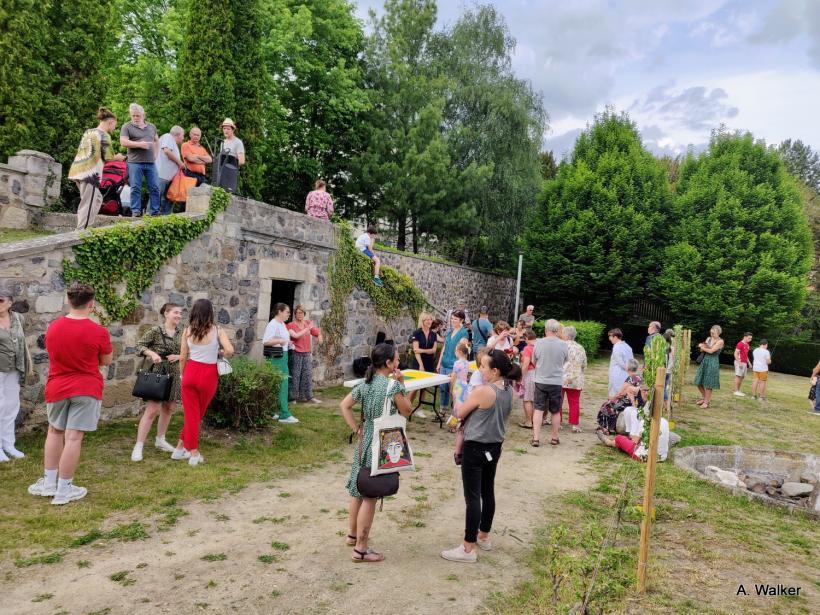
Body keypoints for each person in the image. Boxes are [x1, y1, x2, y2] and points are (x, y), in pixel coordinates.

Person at [27, 284, 113, 505]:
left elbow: (54, 354)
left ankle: (49, 483)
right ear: (91, 304)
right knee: (73, 437)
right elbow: (105, 361)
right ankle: (64, 490)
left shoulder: (54, 327)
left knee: (55, 432)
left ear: (68, 300)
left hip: (58, 386)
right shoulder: (99, 331)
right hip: (86, 387)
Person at [440, 350, 522, 563]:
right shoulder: (507, 390)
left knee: (473, 496)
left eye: (483, 367)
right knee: (487, 491)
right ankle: (483, 535)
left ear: (494, 371)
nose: (480, 370)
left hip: (476, 447)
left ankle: (467, 547)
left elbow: (459, 413)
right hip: (494, 446)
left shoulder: (484, 391)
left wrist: (458, 392)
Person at [339, 343, 412, 562]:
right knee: (370, 494)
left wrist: (357, 428)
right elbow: (407, 410)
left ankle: (352, 535)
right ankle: (361, 548)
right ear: (388, 363)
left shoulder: (365, 383)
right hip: (384, 439)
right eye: (396, 360)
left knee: (358, 488)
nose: (398, 363)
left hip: (367, 437)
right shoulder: (393, 387)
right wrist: (402, 384)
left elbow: (344, 405)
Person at [173, 299, 234, 465]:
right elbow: (230, 350)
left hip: (190, 372)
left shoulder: (187, 330)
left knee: (192, 415)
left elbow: (183, 357)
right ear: (210, 312)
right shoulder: (217, 330)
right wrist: (220, 353)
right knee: (197, 415)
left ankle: (179, 449)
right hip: (208, 374)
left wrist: (181, 376)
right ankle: (193, 453)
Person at [131, 303, 183, 462]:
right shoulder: (156, 330)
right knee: (152, 410)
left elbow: (189, 351)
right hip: (158, 374)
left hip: (174, 374)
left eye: (180, 313)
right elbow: (139, 346)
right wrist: (151, 353)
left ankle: (160, 440)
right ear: (166, 313)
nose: (179, 316)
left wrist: (180, 357)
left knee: (169, 407)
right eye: (176, 312)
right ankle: (138, 446)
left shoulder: (183, 333)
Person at [69, 107, 126, 230]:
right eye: (114, 125)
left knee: (98, 199)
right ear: (110, 122)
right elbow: (109, 157)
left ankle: (85, 226)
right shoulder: (104, 135)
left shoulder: (89, 132)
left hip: (77, 170)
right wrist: (119, 157)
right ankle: (81, 232)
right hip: (90, 173)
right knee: (88, 203)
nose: (114, 128)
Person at [0, 289, 31, 461]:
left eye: (0, 300)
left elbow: (20, 341)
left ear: (10, 303)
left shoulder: (19, 319)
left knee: (11, 405)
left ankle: (8, 444)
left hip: (14, 368)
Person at [532, 319, 568, 447]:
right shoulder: (563, 344)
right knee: (555, 410)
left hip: (541, 380)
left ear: (546, 329)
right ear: (557, 330)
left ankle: (536, 438)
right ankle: (554, 437)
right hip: (556, 381)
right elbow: (565, 360)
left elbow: (534, 361)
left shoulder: (539, 343)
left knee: (538, 408)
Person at [120, 103, 159, 217]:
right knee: (135, 187)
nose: (136, 118)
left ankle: (155, 212)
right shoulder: (126, 127)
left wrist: (156, 154)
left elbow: (156, 140)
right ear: (130, 115)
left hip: (151, 163)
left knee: (155, 187)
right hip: (135, 162)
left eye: (138, 115)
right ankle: (136, 212)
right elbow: (123, 142)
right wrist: (139, 145)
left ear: (143, 115)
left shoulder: (151, 127)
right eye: (133, 116)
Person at [597, 403, 670, 462]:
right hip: (662, 457)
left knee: (619, 438)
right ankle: (615, 443)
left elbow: (634, 441)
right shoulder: (665, 422)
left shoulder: (645, 422)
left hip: (644, 457)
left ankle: (609, 442)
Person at [263, 303, 299, 424]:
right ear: (279, 311)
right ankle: (284, 414)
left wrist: (288, 343)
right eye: (287, 312)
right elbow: (266, 341)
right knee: (281, 384)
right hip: (276, 358)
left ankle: (273, 411)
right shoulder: (272, 324)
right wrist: (281, 341)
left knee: (278, 384)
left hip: (283, 356)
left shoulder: (282, 324)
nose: (289, 314)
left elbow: (283, 339)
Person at [286, 305, 323, 404]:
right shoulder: (290, 325)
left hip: (306, 353)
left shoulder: (308, 323)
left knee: (307, 375)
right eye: (298, 313)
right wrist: (307, 329)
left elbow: (316, 331)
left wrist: (319, 336)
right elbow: (296, 337)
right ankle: (292, 398)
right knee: (295, 375)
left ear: (304, 314)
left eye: (301, 313)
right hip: (296, 353)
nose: (300, 314)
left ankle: (307, 397)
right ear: (295, 314)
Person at [437, 310, 469, 413]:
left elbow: (462, 352)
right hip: (444, 363)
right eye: (452, 318)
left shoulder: (463, 333)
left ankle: (456, 413)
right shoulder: (450, 332)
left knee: (453, 391)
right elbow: (444, 347)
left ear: (462, 320)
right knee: (443, 388)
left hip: (453, 365)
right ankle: (443, 410)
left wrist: (457, 368)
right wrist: (439, 363)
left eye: (455, 319)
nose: (453, 321)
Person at [409, 311, 438, 416]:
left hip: (429, 362)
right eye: (427, 320)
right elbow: (416, 351)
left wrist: (423, 350)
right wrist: (421, 365)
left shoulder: (433, 334)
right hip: (418, 363)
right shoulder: (417, 333)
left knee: (424, 387)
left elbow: (434, 350)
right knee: (414, 387)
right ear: (422, 321)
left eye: (430, 319)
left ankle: (419, 409)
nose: (430, 321)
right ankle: (407, 407)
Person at [562, 325, 588, 433]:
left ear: (566, 335)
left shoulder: (561, 346)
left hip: (561, 377)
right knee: (574, 402)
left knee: (558, 400)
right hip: (576, 379)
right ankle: (575, 425)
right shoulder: (580, 347)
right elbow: (584, 365)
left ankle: (558, 422)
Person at [450, 341, 471, 465]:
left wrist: (451, 386)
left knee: (456, 405)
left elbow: (454, 376)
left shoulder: (457, 363)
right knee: (461, 404)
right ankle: (458, 423)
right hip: (464, 384)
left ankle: (456, 424)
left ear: (459, 352)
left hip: (458, 385)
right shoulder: (467, 362)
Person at [693, 325, 724, 409]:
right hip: (705, 361)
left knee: (709, 383)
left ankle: (706, 402)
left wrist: (703, 346)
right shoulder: (708, 338)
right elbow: (702, 350)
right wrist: (703, 347)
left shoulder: (720, 341)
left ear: (718, 332)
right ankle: (705, 399)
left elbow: (711, 351)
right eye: (711, 332)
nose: (711, 334)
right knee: (698, 381)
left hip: (713, 362)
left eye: (713, 333)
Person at [156, 125, 185, 215]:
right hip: (162, 175)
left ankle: (165, 218)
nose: (183, 138)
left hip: (169, 177)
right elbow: (167, 151)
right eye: (183, 135)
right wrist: (180, 163)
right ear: (178, 134)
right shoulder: (168, 137)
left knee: (169, 198)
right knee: (156, 197)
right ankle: (150, 217)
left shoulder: (172, 142)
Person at [518, 329, 537, 429]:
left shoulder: (528, 348)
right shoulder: (540, 345)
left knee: (527, 399)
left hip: (530, 374)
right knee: (534, 399)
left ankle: (529, 422)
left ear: (526, 338)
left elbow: (526, 364)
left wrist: (521, 376)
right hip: (539, 374)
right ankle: (535, 420)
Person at [607, 328, 633, 397]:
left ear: (615, 337)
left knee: (615, 396)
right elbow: (631, 361)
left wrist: (627, 368)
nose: (609, 339)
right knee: (624, 394)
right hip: (626, 375)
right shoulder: (628, 346)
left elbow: (620, 362)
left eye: (610, 336)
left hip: (617, 374)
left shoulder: (616, 347)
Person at [733, 332, 753, 397]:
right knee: (738, 376)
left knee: (742, 377)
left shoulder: (747, 345)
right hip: (740, 362)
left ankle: (738, 390)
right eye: (749, 338)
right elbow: (735, 354)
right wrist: (739, 362)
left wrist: (749, 363)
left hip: (744, 363)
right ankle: (736, 391)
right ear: (745, 337)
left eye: (751, 338)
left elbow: (746, 355)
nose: (750, 339)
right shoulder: (740, 344)